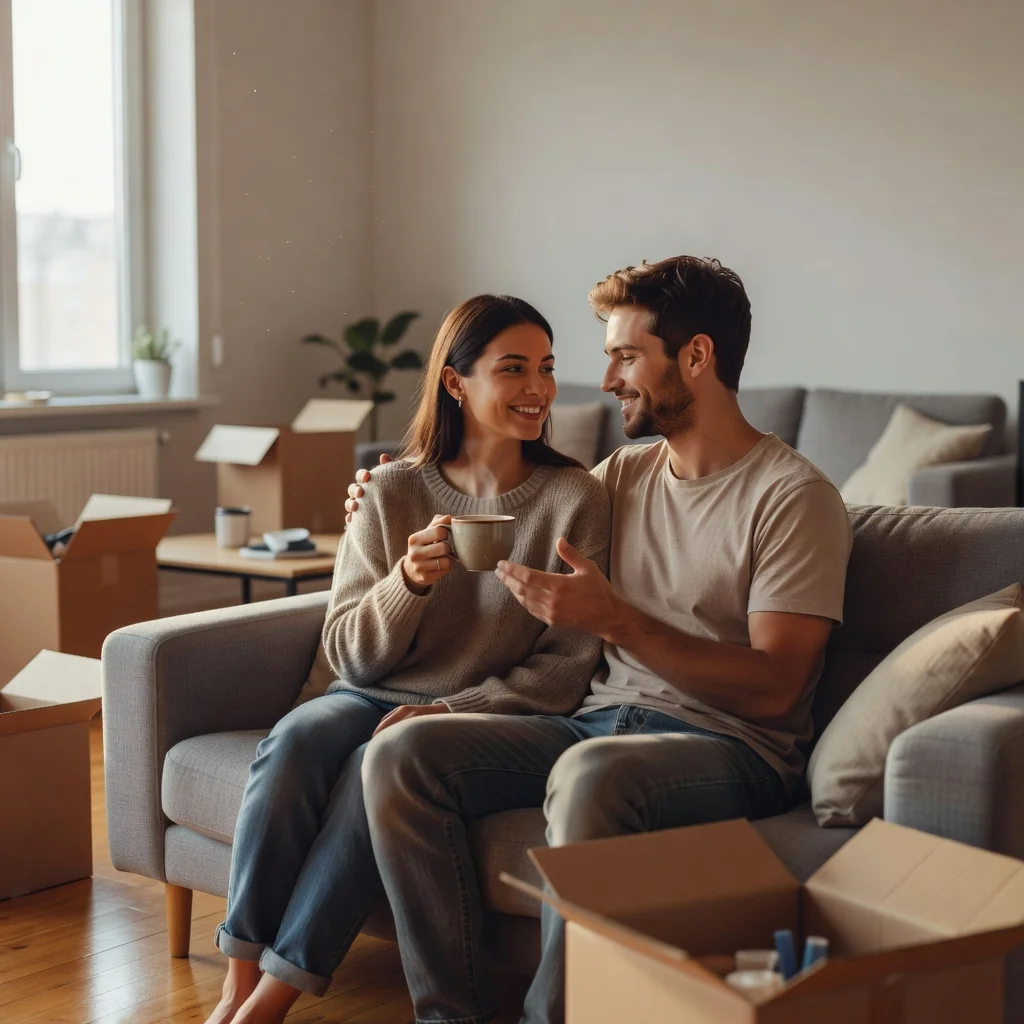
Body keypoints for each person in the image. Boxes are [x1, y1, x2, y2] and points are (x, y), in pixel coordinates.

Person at [348, 256, 853, 1024]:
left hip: (727, 748)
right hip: (589, 725)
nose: (607, 378)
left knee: (593, 777)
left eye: (626, 355)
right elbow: (502, 492)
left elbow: (776, 686)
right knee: (399, 754)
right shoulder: (621, 477)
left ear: (696, 356)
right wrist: (388, 487)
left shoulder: (794, 498)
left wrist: (616, 619)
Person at [204, 294, 610, 1024]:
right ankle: (234, 985)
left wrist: (450, 709)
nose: (539, 389)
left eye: (547, 369)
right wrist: (408, 584)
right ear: (456, 383)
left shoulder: (573, 496)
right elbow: (346, 651)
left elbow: (568, 663)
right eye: (513, 369)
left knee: (384, 760)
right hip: (370, 689)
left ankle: (268, 1002)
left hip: (470, 713)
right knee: (295, 739)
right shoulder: (392, 489)